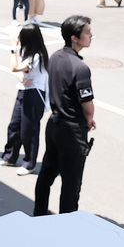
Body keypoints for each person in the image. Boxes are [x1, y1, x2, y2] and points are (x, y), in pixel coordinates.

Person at [35, 15, 95, 215]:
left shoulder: (56, 57)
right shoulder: (80, 68)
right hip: (72, 131)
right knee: (71, 183)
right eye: (87, 32)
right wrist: (88, 120)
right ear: (74, 38)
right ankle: (66, 227)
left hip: (54, 125)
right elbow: (87, 106)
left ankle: (39, 213)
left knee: (47, 173)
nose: (91, 35)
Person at [0, 24, 49, 175]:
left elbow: (14, 67)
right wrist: (21, 77)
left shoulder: (37, 56)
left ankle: (29, 163)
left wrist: (13, 47)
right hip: (24, 91)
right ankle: (10, 156)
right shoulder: (28, 52)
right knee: (14, 126)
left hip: (35, 95)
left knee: (29, 130)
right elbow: (18, 71)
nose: (19, 38)